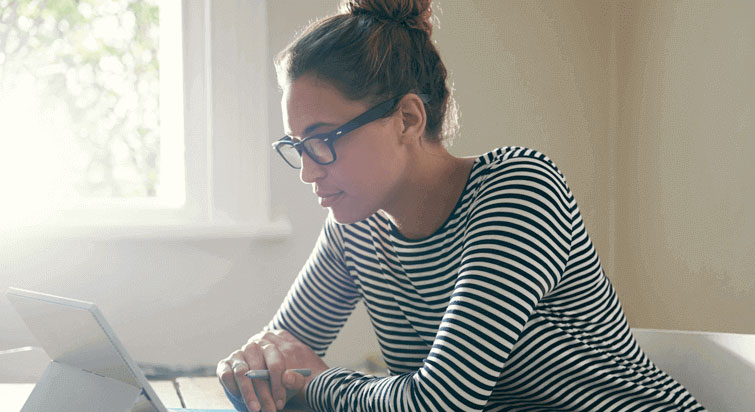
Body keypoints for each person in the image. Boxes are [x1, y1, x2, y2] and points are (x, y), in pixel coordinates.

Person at [217, 1, 706, 411]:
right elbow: (281, 356)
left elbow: (441, 401)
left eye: (323, 140)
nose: (308, 170)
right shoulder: (355, 230)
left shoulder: (518, 190)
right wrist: (248, 369)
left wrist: (318, 384)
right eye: (297, 146)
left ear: (408, 118)